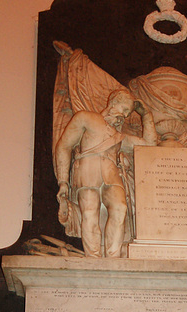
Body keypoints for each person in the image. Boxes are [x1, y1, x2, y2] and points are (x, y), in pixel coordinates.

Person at [54, 89, 156, 258]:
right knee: (89, 212)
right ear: (113, 102)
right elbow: (64, 146)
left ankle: (113, 258)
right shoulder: (85, 118)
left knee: (120, 208)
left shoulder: (119, 137)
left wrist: (146, 115)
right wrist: (63, 181)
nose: (124, 115)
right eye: (123, 109)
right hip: (87, 169)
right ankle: (93, 259)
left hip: (111, 174)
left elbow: (149, 147)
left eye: (128, 113)